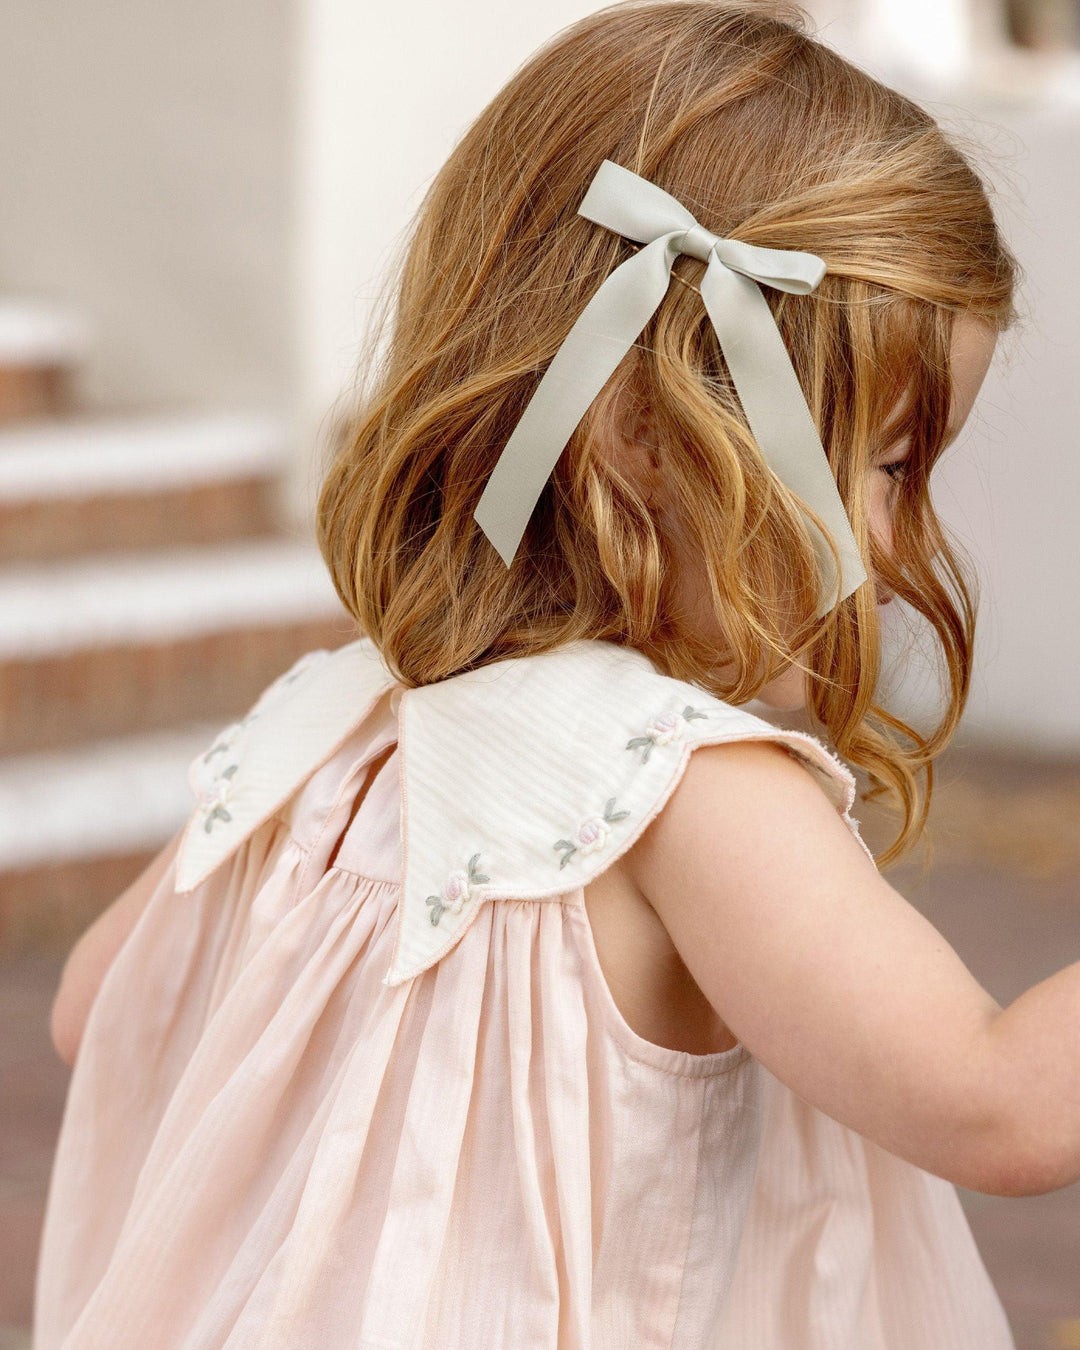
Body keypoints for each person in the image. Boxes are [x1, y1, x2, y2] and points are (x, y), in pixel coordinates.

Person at [36, 1, 1060, 1345]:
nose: (899, 535)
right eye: (888, 463)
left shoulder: (334, 723)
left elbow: (91, 1014)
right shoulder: (681, 790)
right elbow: (998, 1104)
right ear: (647, 431)